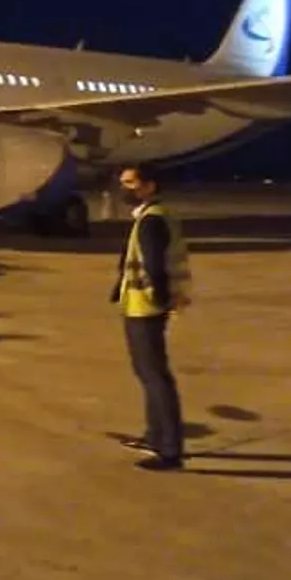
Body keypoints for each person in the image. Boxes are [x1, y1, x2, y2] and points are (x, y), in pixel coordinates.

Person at [110, 164, 192, 470]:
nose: (124, 189)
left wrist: (159, 300)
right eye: (123, 183)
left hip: (145, 307)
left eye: (131, 183)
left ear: (150, 186)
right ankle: (154, 435)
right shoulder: (153, 215)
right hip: (142, 305)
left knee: (155, 376)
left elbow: (154, 266)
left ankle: (170, 450)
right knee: (149, 373)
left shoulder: (151, 221)